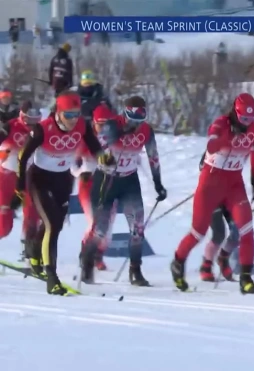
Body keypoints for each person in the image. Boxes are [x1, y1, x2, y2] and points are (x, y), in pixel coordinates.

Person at [171, 92, 254, 294]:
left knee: (246, 229)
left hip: (234, 184)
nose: (247, 123)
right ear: (235, 113)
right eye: (243, 118)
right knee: (198, 232)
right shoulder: (221, 124)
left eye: (250, 118)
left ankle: (246, 279)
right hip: (211, 183)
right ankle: (178, 262)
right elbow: (211, 145)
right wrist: (227, 140)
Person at [12, 90, 109, 295]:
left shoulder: (81, 124)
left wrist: (102, 157)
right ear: (58, 112)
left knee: (55, 224)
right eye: (69, 115)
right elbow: (23, 156)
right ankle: (52, 277)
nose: (74, 120)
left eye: (77, 114)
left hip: (63, 180)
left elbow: (92, 143)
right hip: (40, 179)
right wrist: (20, 185)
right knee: (52, 225)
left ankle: (35, 252)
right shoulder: (42, 129)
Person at [79, 97, 166, 286]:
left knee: (137, 228)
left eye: (139, 120)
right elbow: (98, 146)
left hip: (129, 180)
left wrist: (158, 182)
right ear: (124, 114)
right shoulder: (111, 125)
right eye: (131, 119)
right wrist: (117, 136)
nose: (134, 124)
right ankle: (87, 264)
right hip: (106, 179)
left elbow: (153, 156)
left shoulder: (146, 131)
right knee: (100, 230)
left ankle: (135, 270)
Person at [197, 149, 254, 282]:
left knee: (237, 231)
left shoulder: (248, 139)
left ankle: (223, 259)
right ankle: (206, 267)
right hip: (212, 193)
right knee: (219, 233)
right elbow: (202, 165)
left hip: (231, 193)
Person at [71, 104, 115, 271]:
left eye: (106, 123)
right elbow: (71, 164)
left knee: (108, 228)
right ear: (93, 123)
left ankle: (98, 255)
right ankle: (85, 254)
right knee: (94, 223)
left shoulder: (114, 140)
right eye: (99, 123)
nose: (103, 127)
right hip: (88, 185)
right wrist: (81, 173)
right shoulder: (86, 140)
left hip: (109, 185)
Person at [0, 102, 41, 244]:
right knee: (4, 226)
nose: (33, 123)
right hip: (7, 176)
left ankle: (29, 248)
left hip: (29, 176)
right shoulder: (11, 126)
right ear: (23, 117)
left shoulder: (39, 131)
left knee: (33, 215)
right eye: (30, 120)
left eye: (36, 120)